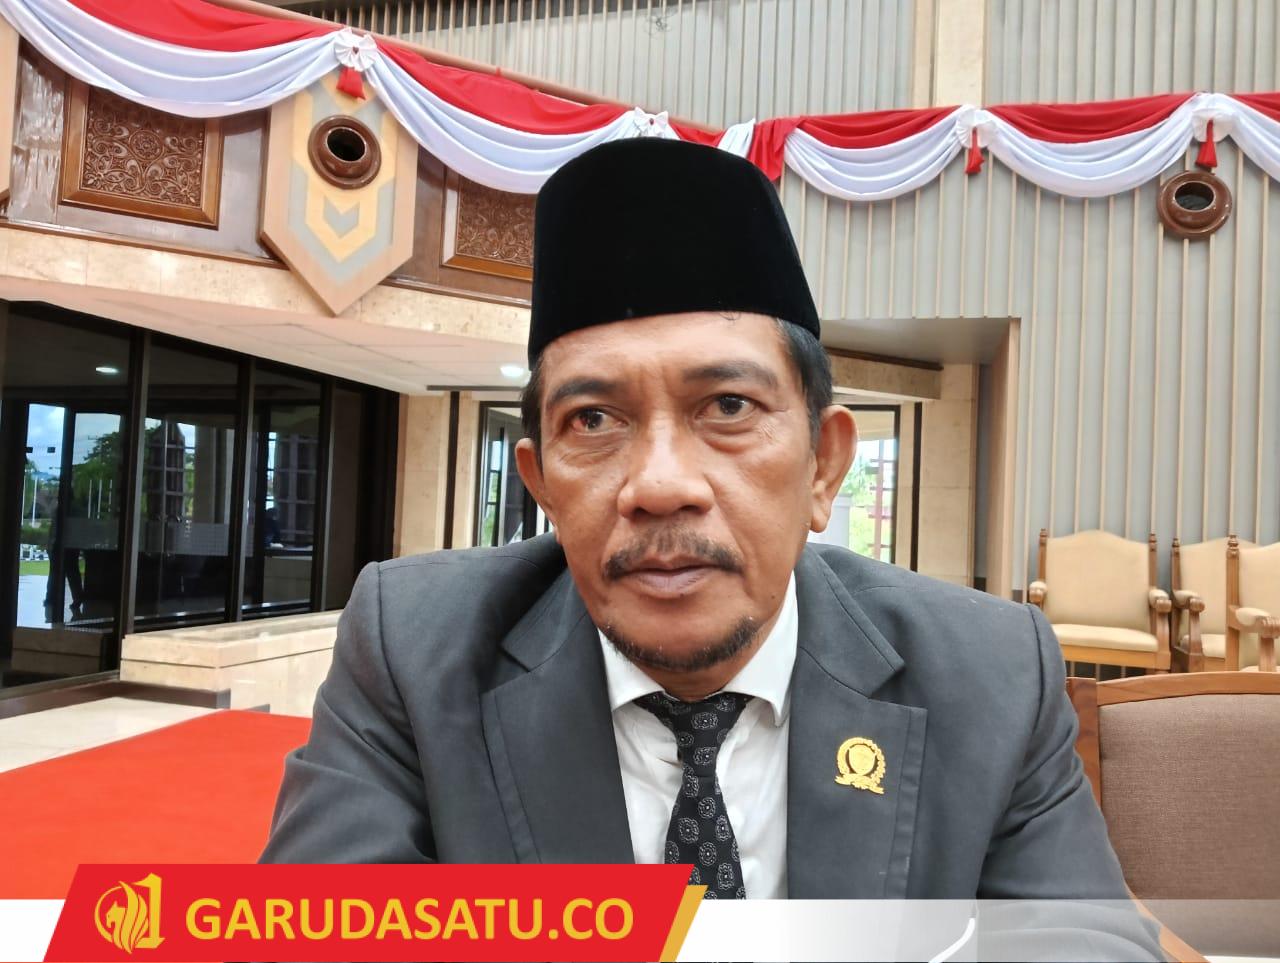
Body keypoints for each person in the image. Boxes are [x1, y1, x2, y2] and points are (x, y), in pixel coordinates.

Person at [260, 139, 1160, 957]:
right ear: (541, 485)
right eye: (594, 419)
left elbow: (1086, 944)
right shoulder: (411, 648)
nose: (660, 485)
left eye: (728, 407)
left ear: (823, 465)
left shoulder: (990, 671)